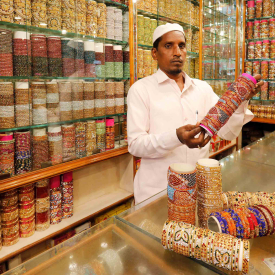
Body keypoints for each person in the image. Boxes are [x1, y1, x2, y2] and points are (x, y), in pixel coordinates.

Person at [127, 23, 263, 204]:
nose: (177, 52)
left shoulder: (202, 89)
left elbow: (227, 133)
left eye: (181, 46)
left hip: (197, 191)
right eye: (168, 46)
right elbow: (136, 145)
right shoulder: (141, 90)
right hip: (155, 193)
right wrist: (176, 137)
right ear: (154, 53)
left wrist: (240, 100)